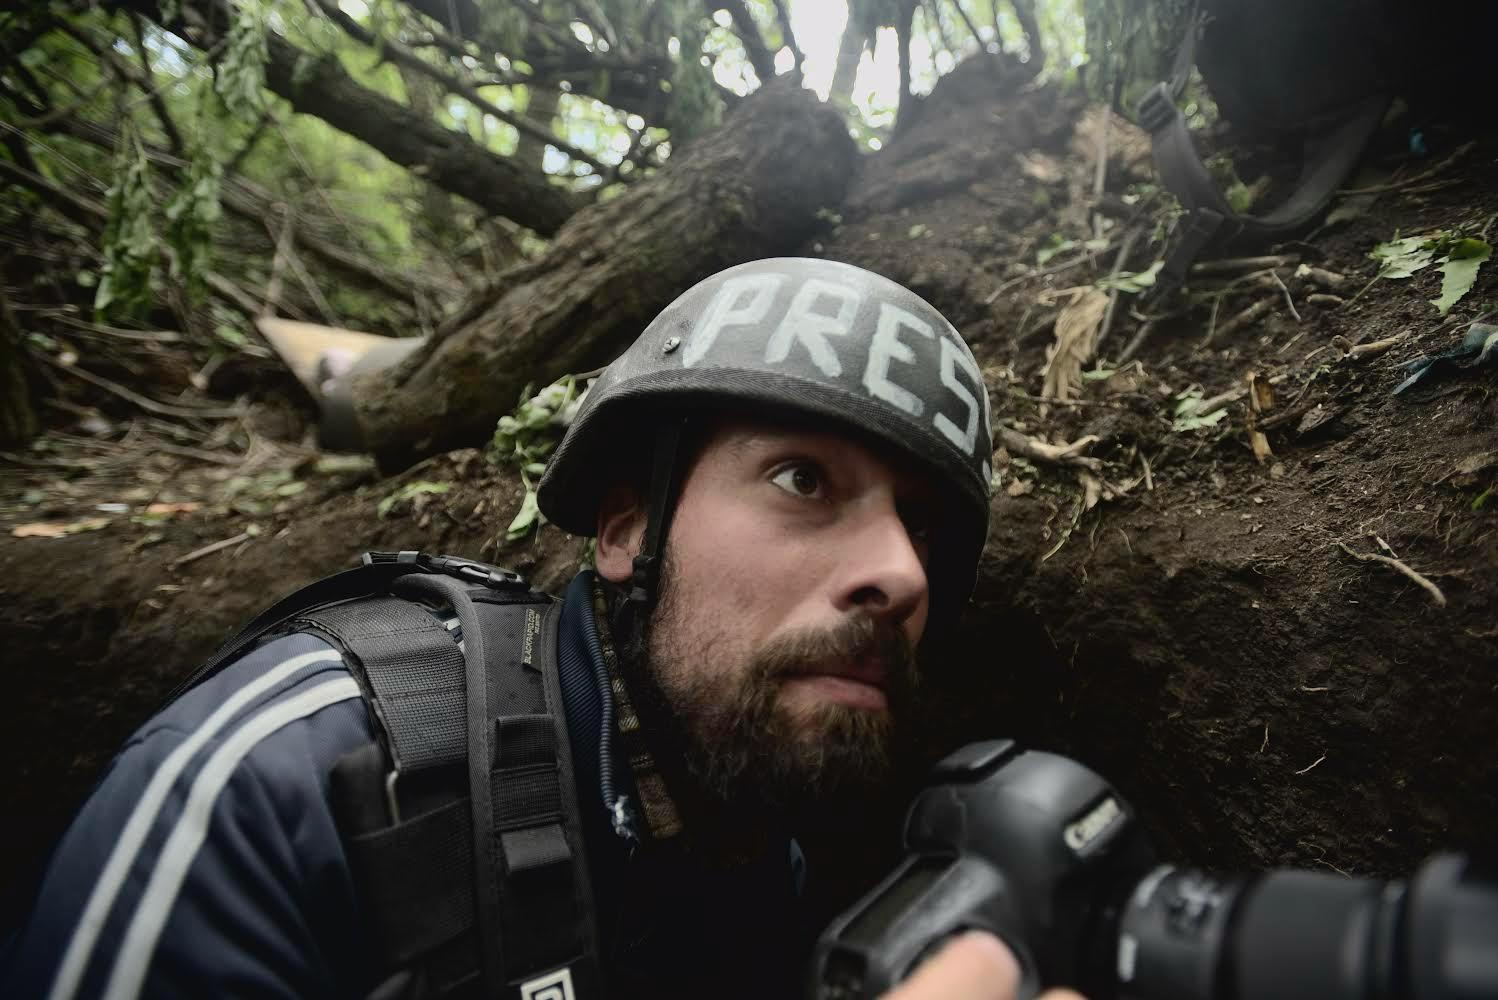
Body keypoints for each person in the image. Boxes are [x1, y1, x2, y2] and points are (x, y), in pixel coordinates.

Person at [0, 258, 1077, 999]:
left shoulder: (760, 834)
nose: (900, 570)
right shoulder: (289, 784)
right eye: (802, 479)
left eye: (922, 528)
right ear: (624, 529)